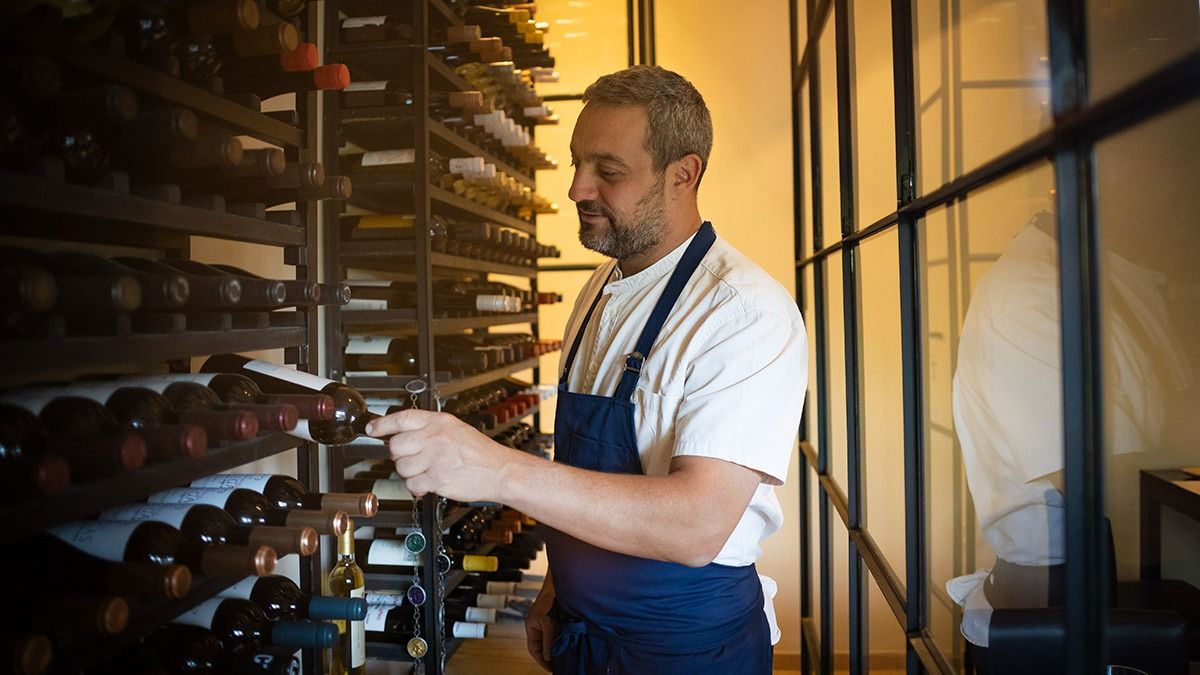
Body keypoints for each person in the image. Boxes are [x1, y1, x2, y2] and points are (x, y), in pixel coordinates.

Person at [365, 65, 807, 675]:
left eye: (608, 170)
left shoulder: (743, 312)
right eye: (577, 163)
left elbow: (696, 525)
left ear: (684, 174)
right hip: (582, 630)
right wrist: (560, 582)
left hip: (682, 649)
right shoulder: (602, 285)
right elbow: (584, 476)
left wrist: (495, 469)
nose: (577, 188)